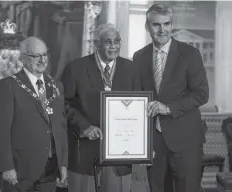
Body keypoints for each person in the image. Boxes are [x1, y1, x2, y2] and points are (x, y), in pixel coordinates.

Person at [133, 4, 209, 192]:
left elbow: (202, 94)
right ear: (147, 26)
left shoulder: (190, 54)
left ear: (171, 24)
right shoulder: (139, 57)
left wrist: (167, 108)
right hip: (154, 144)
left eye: (166, 24)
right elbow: (136, 98)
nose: (162, 29)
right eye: (156, 24)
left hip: (186, 141)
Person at [61, 23, 141, 192]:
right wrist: (84, 127)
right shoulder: (75, 69)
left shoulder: (132, 69)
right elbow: (64, 105)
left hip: (120, 158)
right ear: (97, 44)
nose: (114, 46)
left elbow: (138, 108)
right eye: (108, 42)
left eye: (117, 41)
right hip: (84, 154)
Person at [0, 37, 68, 192]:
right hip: (20, 172)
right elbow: (0, 131)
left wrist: (63, 164)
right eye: (36, 56)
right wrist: (6, 167)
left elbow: (61, 127)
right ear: (24, 58)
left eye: (45, 55)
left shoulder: (56, 86)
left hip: (50, 170)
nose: (42, 60)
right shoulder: (8, 86)